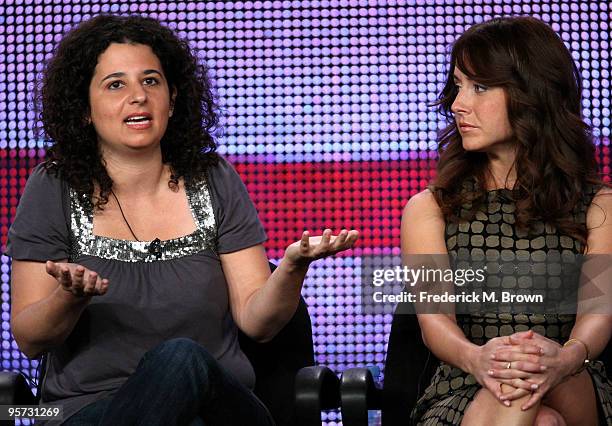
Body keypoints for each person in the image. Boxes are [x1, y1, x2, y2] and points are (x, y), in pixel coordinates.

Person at [6, 15, 358, 426]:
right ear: (84, 109)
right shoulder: (53, 187)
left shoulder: (215, 179)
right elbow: (30, 339)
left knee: (182, 359)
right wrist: (70, 298)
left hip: (220, 409)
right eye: (116, 84)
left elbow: (257, 323)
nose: (138, 96)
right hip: (94, 411)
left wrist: (293, 268)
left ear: (172, 100)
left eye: (151, 81)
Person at [401, 17, 611, 425]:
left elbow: (597, 313)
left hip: (571, 373)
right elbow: (434, 322)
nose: (458, 104)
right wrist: (479, 359)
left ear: (530, 94)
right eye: (458, 86)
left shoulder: (599, 205)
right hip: (465, 381)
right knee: (541, 418)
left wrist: (565, 357)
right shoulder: (429, 208)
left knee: (535, 380)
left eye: (479, 87)